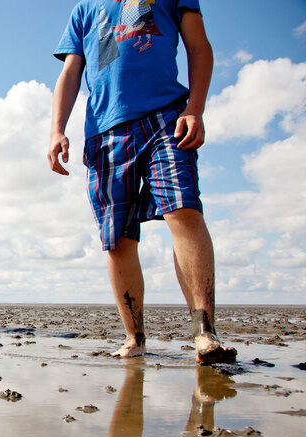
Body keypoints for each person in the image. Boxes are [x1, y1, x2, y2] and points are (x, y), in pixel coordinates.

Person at [47, 0, 236, 364]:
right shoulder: (85, 9)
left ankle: (205, 332)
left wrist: (195, 108)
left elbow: (198, 45)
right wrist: (57, 130)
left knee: (183, 210)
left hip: (165, 116)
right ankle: (135, 338)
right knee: (117, 238)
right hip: (104, 131)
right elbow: (71, 73)